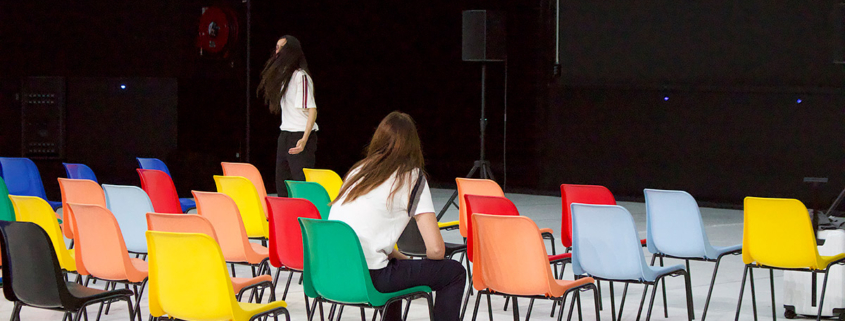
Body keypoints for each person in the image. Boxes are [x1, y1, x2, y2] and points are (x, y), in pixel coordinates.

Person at [329, 111, 466, 321]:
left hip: (333, 273)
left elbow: (361, 235)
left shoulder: (357, 172)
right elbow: (437, 250)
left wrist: (402, 260)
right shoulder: (411, 177)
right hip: (371, 278)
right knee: (454, 272)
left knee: (396, 269)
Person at [257, 35, 318, 197]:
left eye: (281, 48)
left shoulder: (301, 77)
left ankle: (304, 218)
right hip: (285, 134)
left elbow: (312, 110)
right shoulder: (284, 76)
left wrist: (304, 140)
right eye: (276, 47)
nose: (278, 52)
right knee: (282, 183)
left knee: (300, 185)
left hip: (300, 134)